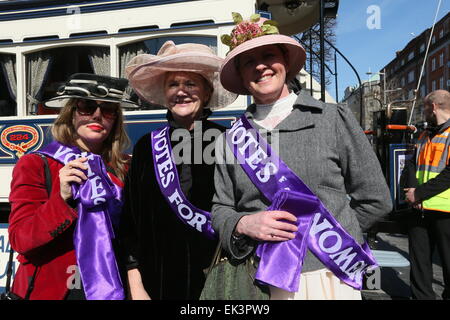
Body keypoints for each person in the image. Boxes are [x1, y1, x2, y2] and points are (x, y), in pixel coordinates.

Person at [212, 13, 393, 300]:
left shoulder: (333, 119)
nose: (260, 65)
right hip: (258, 279)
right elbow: (220, 209)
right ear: (242, 77)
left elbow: (376, 200)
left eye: (268, 55)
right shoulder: (230, 139)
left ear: (285, 63)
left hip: (330, 276)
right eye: (248, 61)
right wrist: (243, 224)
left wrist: (333, 239)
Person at [120, 41, 237, 300]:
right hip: (156, 283)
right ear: (165, 93)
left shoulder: (230, 141)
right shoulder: (146, 147)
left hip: (218, 279)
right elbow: (130, 224)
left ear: (206, 93)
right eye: (173, 84)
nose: (181, 92)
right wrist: (136, 284)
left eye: (190, 84)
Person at [8, 73, 136, 300]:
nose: (97, 115)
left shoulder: (126, 168)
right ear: (70, 113)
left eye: (108, 109)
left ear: (115, 119)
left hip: (114, 287)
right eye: (86, 106)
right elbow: (21, 239)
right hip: (57, 290)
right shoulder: (37, 164)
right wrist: (61, 198)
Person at [403, 89, 450, 300]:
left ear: (433, 107)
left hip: (445, 212)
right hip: (419, 209)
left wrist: (419, 193)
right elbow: (412, 164)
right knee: (419, 265)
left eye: (424, 108)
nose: (423, 112)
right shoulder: (423, 134)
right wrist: (413, 193)